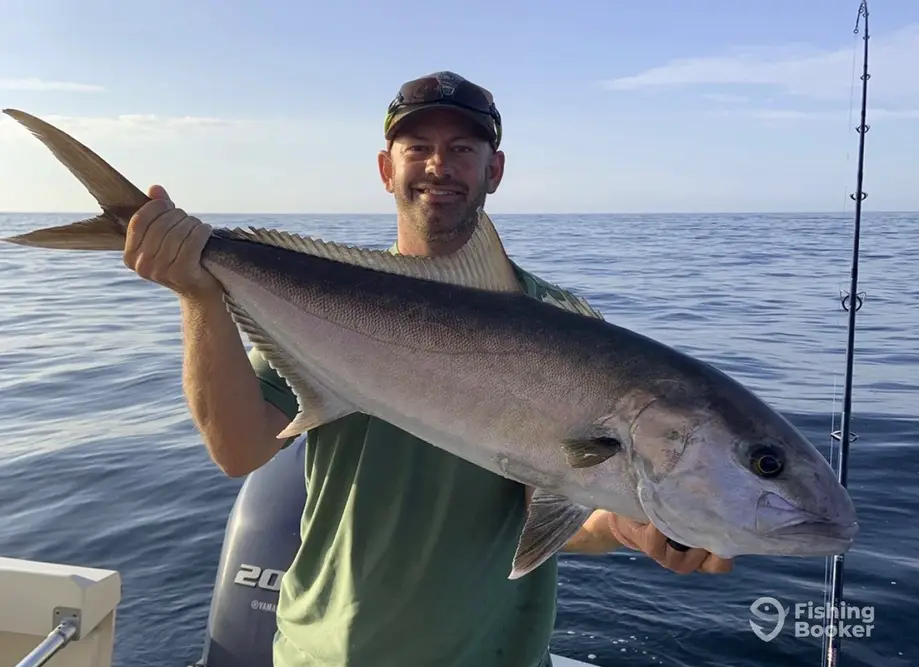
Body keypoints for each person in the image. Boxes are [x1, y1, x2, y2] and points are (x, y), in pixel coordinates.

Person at [121, 71, 733, 666]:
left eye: (462, 149)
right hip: (327, 654)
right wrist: (199, 296)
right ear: (388, 169)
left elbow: (552, 509)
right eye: (419, 148)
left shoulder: (571, 334)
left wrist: (628, 529)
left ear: (494, 170)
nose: (439, 166)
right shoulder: (330, 302)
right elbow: (238, 450)